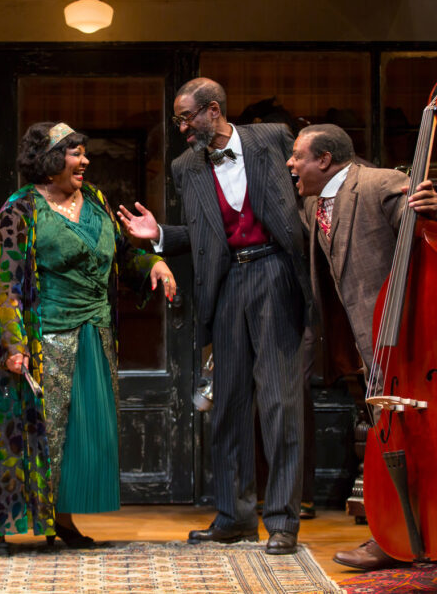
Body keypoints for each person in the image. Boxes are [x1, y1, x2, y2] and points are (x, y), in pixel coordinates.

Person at [118, 78, 311, 556]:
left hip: (275, 272)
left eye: (187, 118)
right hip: (226, 286)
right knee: (226, 404)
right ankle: (234, 517)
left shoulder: (272, 137)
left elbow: (309, 189)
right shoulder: (187, 167)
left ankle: (283, 521)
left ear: (212, 110)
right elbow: (205, 234)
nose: (181, 127)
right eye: (179, 120)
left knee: (279, 400)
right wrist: (159, 232)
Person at [0, 121, 177, 557]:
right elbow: (7, 283)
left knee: (82, 435)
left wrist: (154, 265)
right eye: (74, 153)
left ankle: (64, 518)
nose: (85, 160)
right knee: (32, 434)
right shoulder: (20, 208)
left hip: (94, 335)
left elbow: (124, 255)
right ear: (49, 161)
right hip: (44, 338)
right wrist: (14, 345)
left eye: (84, 153)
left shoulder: (98, 201)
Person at [284, 123, 437, 571]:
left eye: (297, 156)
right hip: (361, 344)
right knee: (384, 441)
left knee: (412, 440)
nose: (290, 163)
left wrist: (435, 212)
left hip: (404, 338)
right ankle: (396, 535)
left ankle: (420, 532)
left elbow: (436, 234)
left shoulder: (382, 182)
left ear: (324, 159)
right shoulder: (311, 202)